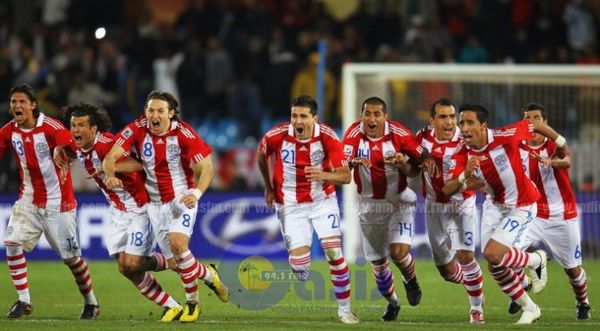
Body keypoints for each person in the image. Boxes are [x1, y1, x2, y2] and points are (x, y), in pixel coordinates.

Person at [102, 91, 228, 323]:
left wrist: (197, 193)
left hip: (182, 198)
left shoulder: (184, 133)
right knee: (177, 263)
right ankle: (210, 275)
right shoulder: (137, 129)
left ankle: (192, 304)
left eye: (160, 111)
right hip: (154, 206)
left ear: (171, 113)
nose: (154, 115)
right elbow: (110, 157)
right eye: (151, 110)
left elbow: (207, 167)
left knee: (179, 245)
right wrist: (110, 176)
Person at [54, 102, 183, 319]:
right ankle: (172, 305)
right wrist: (61, 151)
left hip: (139, 208)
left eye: (82, 125)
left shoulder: (107, 144)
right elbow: (70, 149)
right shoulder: (78, 144)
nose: (76, 130)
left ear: (94, 129)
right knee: (125, 268)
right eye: (73, 125)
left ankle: (180, 264)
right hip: (117, 211)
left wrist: (109, 167)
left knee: (132, 263)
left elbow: (138, 165)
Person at [443, 103, 567, 324]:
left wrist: (560, 142)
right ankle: (530, 307)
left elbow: (535, 124)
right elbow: (447, 188)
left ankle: (535, 259)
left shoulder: (505, 135)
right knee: (494, 264)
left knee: (493, 253)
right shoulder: (463, 151)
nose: (464, 128)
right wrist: (464, 176)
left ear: (483, 126)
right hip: (494, 205)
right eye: (462, 123)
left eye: (469, 122)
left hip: (523, 204)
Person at [256, 95, 359, 324]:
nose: (297, 121)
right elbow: (261, 154)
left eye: (303, 116)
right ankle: (298, 263)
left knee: (334, 253)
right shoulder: (277, 135)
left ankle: (345, 310)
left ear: (314, 118)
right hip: (290, 205)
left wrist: (323, 175)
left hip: (322, 201)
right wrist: (268, 187)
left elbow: (345, 176)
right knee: (300, 266)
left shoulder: (328, 137)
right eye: (294, 116)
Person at [0, 84, 100, 319]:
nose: (17, 106)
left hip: (58, 203)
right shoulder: (8, 131)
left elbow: (73, 146)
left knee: (72, 259)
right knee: (12, 243)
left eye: (22, 101)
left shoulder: (51, 127)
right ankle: (24, 301)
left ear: (33, 105)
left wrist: (65, 151)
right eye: (13, 102)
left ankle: (91, 302)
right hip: (29, 200)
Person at [342, 97, 434, 321]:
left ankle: (410, 280)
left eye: (376, 114)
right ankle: (393, 302)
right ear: (362, 115)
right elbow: (341, 166)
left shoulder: (400, 134)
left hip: (399, 200)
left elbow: (415, 169)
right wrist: (350, 164)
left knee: (399, 253)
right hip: (369, 206)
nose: (371, 119)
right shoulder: (353, 135)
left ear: (385, 116)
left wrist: (405, 162)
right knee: (379, 264)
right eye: (367, 114)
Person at [517, 103, 591, 320]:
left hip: (563, 215)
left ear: (545, 122)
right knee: (507, 253)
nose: (531, 122)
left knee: (573, 270)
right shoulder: (519, 147)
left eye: (536, 117)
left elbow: (567, 161)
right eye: (527, 118)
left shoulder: (555, 144)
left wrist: (552, 162)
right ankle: (523, 287)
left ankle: (582, 302)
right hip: (534, 215)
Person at [415, 98, 484, 324]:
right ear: (432, 120)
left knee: (465, 256)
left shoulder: (467, 140)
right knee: (446, 271)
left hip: (462, 205)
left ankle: (476, 310)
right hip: (434, 207)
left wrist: (465, 182)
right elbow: (411, 160)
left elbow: (482, 180)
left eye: (452, 117)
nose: (450, 122)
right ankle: (474, 283)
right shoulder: (422, 137)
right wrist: (421, 158)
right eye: (443, 117)